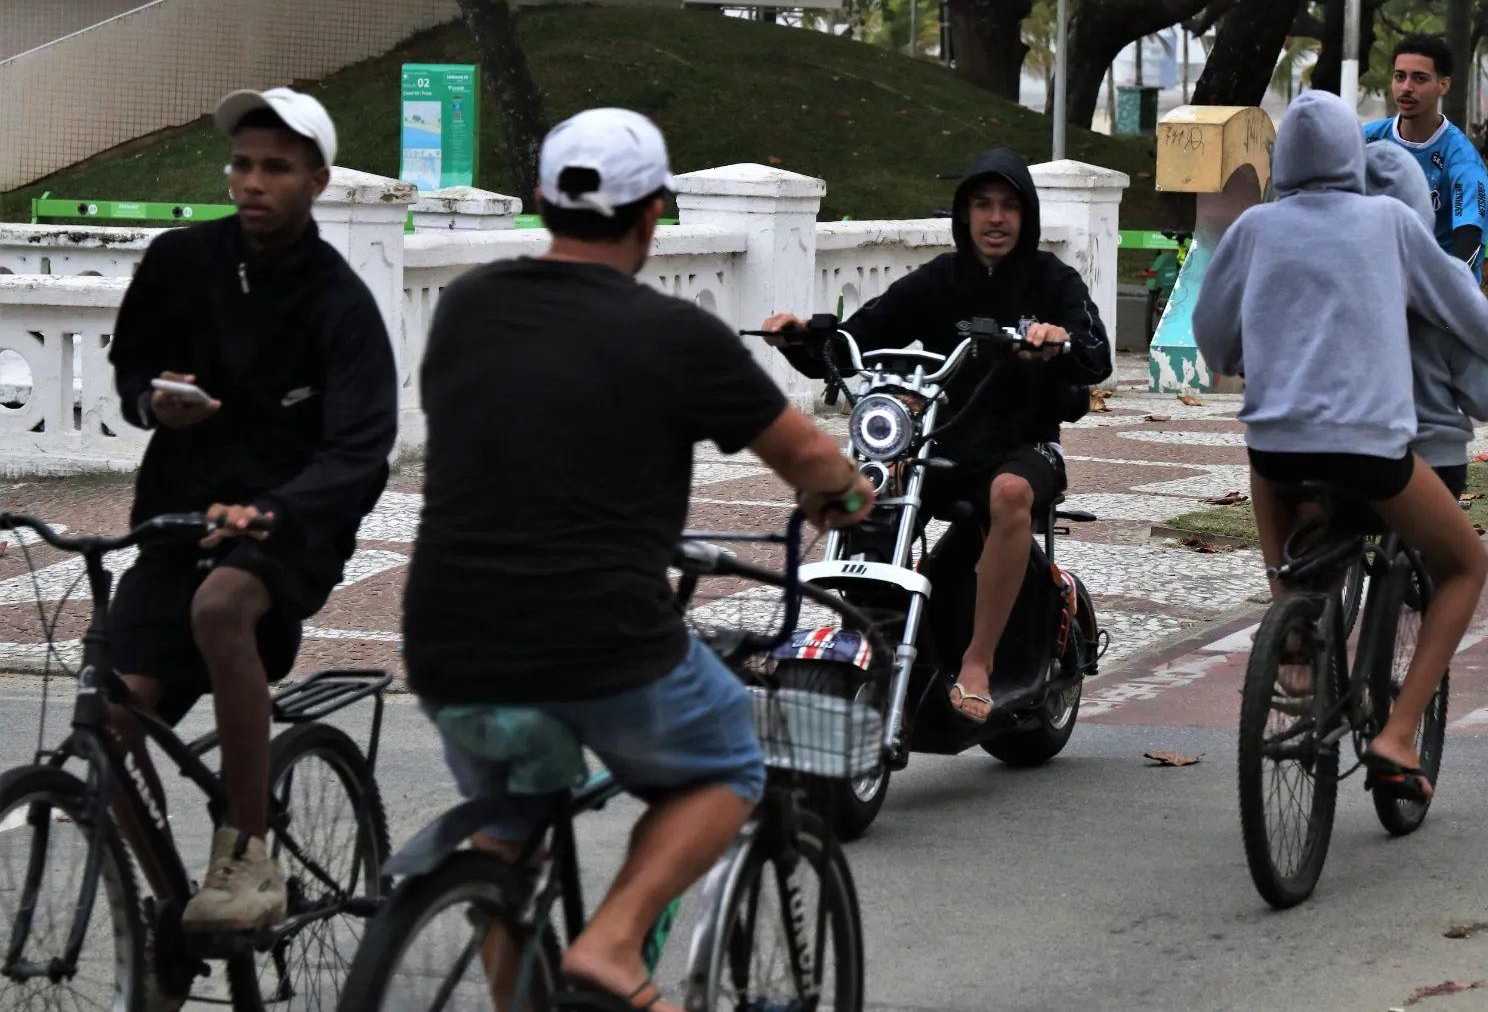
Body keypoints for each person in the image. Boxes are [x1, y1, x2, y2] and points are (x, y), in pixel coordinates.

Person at [402, 107, 874, 1012]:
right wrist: (850, 494)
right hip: (597, 639)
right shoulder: (675, 336)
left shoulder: (466, 305)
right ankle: (614, 946)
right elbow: (811, 460)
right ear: (654, 212)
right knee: (730, 760)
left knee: (509, 836)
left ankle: (518, 969)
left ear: (543, 201)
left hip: (446, 639)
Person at [1194, 90, 1488, 802]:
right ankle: (1397, 732)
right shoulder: (1388, 221)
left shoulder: (1257, 228)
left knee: (1266, 451)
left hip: (1279, 455)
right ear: (1352, 157)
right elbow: (1466, 311)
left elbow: (1212, 328)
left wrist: (1237, 352)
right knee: (1465, 565)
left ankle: (1285, 609)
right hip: (1372, 455)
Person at [107, 87, 398, 931]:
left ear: (318, 180)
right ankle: (160, 916)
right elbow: (132, 372)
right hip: (176, 517)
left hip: (289, 531)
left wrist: (273, 512)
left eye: (276, 167)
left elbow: (361, 448)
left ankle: (249, 855)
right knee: (117, 716)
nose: (253, 182)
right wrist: (152, 405)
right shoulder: (179, 261)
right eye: (242, 164)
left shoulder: (340, 302)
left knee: (223, 602)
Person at [763, 148, 1112, 724]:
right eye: (981, 205)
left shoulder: (1054, 280)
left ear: (1026, 215)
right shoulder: (938, 281)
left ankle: (978, 662)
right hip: (939, 444)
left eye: (1007, 206)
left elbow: (1094, 355)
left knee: (1009, 494)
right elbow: (857, 339)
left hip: (1026, 446)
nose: (995, 218)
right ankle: (874, 638)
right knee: (867, 494)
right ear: (963, 214)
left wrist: (1058, 342)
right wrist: (803, 337)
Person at [1365, 142, 1488, 498]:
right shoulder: (1445, 305)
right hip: (1431, 460)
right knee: (1469, 557)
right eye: (1400, 78)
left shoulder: (1327, 292)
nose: (1406, 85)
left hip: (1325, 457)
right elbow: (1486, 400)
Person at [1365, 33, 1488, 280]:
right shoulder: (1363, 141)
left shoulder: (1462, 160)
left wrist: (1444, 295)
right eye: (1399, 76)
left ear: (1443, 85)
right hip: (1381, 285)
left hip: (1441, 292)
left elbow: (1469, 241)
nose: (1406, 88)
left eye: (1419, 79)